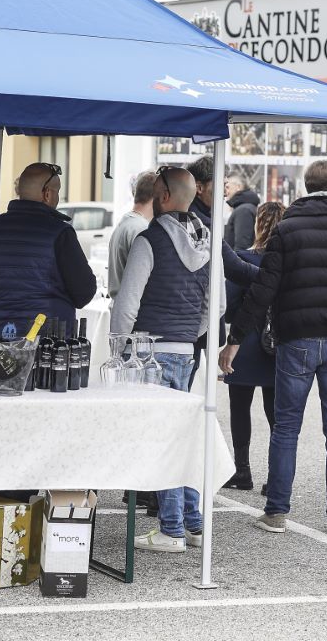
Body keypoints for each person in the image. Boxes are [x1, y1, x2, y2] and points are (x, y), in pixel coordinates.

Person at [221, 159, 327, 540]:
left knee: (286, 428)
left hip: (295, 339)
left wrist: (235, 339)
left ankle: (276, 511)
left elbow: (263, 290)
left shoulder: (287, 229)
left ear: (307, 187)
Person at [110, 165, 213, 552]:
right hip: (186, 351)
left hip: (149, 351)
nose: (152, 195)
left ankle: (170, 529)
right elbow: (212, 307)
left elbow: (127, 304)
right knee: (184, 441)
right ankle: (194, 524)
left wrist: (119, 352)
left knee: (164, 442)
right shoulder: (207, 243)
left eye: (156, 190)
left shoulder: (149, 240)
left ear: (166, 197)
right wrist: (191, 335)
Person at [0, 162, 97, 341]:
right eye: (57, 192)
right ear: (47, 194)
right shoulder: (59, 232)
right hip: (49, 344)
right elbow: (84, 292)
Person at [223, 201, 285, 492]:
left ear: (258, 224)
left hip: (245, 340)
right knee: (276, 414)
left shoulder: (242, 259)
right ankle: (275, 476)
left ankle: (242, 470)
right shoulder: (287, 263)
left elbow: (230, 306)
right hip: (277, 343)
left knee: (240, 408)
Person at [106, 171, 158, 298]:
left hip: (121, 307)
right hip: (133, 312)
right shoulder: (141, 229)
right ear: (157, 197)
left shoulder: (125, 223)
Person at [221, 175, 260, 250]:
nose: (226, 191)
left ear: (238, 187)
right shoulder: (245, 208)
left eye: (227, 187)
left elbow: (242, 246)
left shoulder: (243, 210)